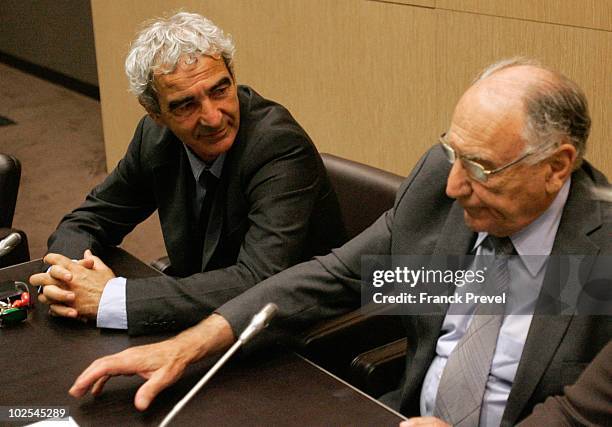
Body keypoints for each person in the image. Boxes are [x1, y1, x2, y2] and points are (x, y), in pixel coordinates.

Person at [68, 58, 611, 426]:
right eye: (452, 155)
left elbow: (585, 413)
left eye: (480, 167)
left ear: (556, 167)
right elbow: (336, 278)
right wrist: (189, 344)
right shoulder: (441, 193)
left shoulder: (599, 255)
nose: (453, 186)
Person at [29, 12, 345, 336]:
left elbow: (256, 280)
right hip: (205, 316)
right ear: (155, 113)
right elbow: (91, 218)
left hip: (294, 333)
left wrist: (111, 299)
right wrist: (66, 277)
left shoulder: (278, 146)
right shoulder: (153, 138)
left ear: (233, 77)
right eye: (186, 105)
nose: (212, 117)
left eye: (220, 90)